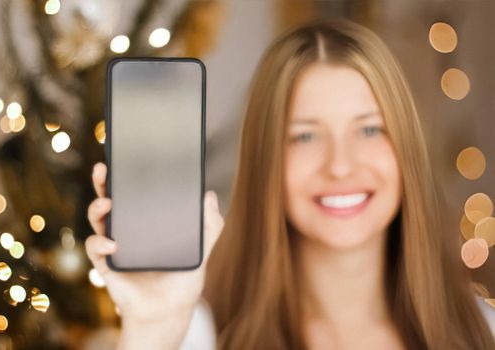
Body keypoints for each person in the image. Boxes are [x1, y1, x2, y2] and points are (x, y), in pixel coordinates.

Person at [86, 18, 495, 349]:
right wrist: (155, 326)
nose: (339, 165)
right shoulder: (194, 337)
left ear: (406, 148)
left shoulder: (484, 332)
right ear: (268, 161)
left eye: (370, 130)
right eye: (305, 135)